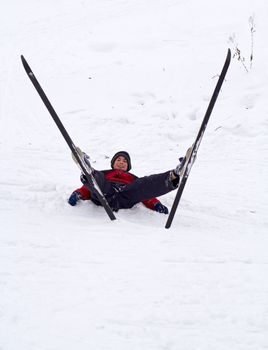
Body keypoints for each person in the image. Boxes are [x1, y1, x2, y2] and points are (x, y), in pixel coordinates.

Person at [68, 150, 186, 214]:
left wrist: (155, 204)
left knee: (142, 183)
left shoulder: (133, 178)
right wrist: (78, 194)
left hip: (125, 197)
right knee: (97, 177)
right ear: (113, 164)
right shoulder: (105, 173)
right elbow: (88, 188)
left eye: (124, 161)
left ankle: (172, 176)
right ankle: (88, 171)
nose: (121, 162)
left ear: (128, 165)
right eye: (118, 160)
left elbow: (144, 191)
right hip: (104, 193)